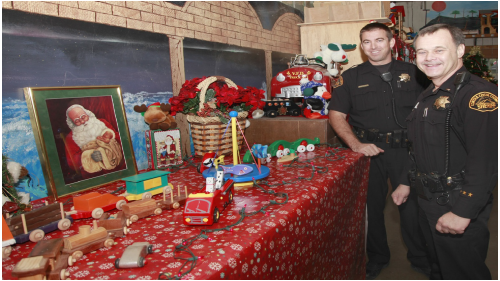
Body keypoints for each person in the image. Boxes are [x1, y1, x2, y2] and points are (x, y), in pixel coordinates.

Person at [392, 24, 497, 279]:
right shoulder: (429, 93)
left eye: (439, 49)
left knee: (463, 271)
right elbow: (418, 146)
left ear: (460, 50)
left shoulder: (477, 94)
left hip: (456, 201)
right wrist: (406, 182)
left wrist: (462, 211)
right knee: (439, 267)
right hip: (429, 199)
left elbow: (485, 160)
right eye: (421, 52)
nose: (429, 58)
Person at [328, 22, 431, 279]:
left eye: (379, 40)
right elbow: (336, 115)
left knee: (411, 209)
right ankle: (377, 257)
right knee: (371, 209)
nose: (373, 47)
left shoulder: (416, 73)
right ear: (362, 46)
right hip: (368, 151)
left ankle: (419, 257)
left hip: (407, 152)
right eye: (367, 42)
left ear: (392, 43)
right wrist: (356, 145)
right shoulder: (350, 78)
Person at [65, 104, 124, 176]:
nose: (83, 121)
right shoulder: (71, 137)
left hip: (117, 168)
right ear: (73, 123)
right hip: (95, 175)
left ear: (87, 114)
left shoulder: (102, 122)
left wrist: (110, 136)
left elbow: (122, 141)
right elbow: (72, 162)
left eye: (83, 117)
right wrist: (90, 156)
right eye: (77, 121)